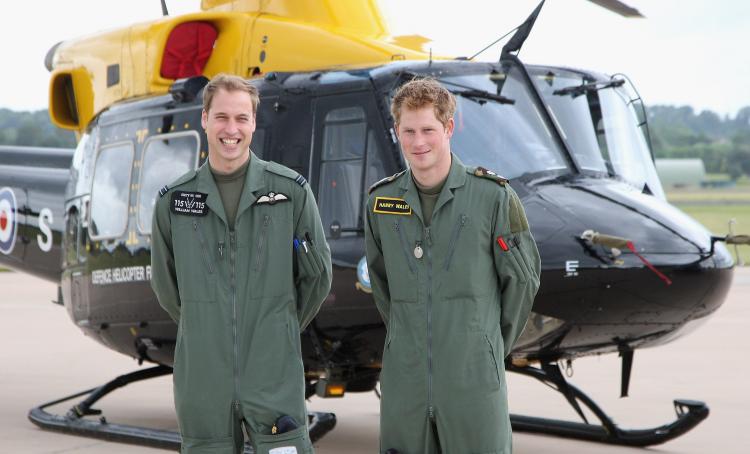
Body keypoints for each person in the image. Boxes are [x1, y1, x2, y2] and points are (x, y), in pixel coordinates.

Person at [150, 73, 332, 454]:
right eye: (221, 117)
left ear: (253, 122)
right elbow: (167, 288)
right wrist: (207, 324)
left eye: (241, 118)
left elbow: (316, 276)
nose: (231, 129)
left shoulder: (291, 192)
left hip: (274, 374)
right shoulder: (174, 202)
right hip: (202, 377)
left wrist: (277, 326)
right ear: (204, 119)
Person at [365, 78, 541, 454]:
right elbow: (383, 289)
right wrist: (409, 336)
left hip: (473, 381)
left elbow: (522, 282)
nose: (418, 142)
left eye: (428, 129)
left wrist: (484, 345)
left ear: (448, 128)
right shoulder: (380, 202)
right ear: (396, 131)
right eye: (408, 131)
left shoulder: (493, 197)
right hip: (405, 384)